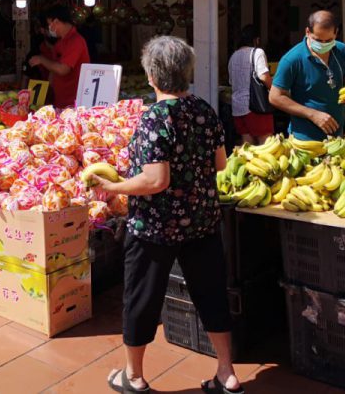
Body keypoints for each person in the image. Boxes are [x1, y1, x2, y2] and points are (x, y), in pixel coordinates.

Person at [95, 36, 242, 394]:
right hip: (202, 220)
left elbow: (155, 180)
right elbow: (220, 163)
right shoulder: (204, 109)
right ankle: (227, 373)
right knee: (211, 294)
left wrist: (113, 186)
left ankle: (133, 376)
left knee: (142, 298)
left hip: (155, 226)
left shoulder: (155, 118)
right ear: (187, 72)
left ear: (151, 76)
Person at [268, 11, 345, 141]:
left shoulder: (341, 51)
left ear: (336, 33)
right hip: (304, 138)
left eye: (328, 40)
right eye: (318, 40)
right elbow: (275, 97)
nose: (323, 44)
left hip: (337, 135)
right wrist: (312, 114)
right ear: (307, 32)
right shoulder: (292, 59)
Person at [28, 4, 90, 108]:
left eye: (49, 24)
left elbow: (63, 69)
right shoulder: (60, 43)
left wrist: (41, 59)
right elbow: (54, 70)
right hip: (59, 101)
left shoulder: (76, 41)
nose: (49, 28)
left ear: (56, 22)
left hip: (73, 102)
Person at [227, 25, 274, 144]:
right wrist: (275, 90)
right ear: (256, 40)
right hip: (255, 106)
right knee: (265, 144)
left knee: (247, 145)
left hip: (238, 108)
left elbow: (231, 82)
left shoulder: (233, 56)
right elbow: (263, 77)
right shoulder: (257, 52)